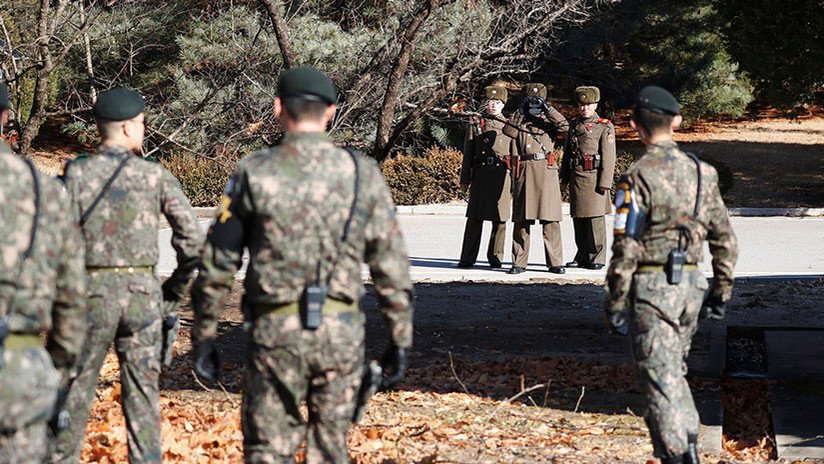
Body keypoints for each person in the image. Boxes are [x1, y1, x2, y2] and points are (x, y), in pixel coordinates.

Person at [190, 66, 414, 464]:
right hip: (340, 332)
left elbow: (218, 262)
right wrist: (399, 336)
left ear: (278, 108)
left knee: (267, 450)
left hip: (275, 330)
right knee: (330, 449)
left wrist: (204, 334)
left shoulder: (254, 171)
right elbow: (390, 263)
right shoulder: (362, 173)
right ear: (330, 112)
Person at [53, 87, 203, 463]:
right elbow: (191, 242)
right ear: (124, 129)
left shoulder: (75, 175)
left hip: (88, 297)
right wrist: (171, 292)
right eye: (139, 123)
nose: (142, 129)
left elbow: (52, 239)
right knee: (142, 402)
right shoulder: (155, 177)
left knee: (73, 396)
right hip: (142, 297)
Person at [605, 86, 738, 464]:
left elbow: (625, 247)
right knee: (674, 373)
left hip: (651, 290)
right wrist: (720, 292)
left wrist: (615, 300)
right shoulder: (703, 173)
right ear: (677, 121)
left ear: (634, 125)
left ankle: (679, 455)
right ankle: (690, 445)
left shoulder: (636, 177)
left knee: (659, 382)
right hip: (691, 289)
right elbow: (725, 241)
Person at [0, 81, 87, 463]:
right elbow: (71, 299)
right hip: (17, 371)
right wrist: (58, 367)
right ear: (5, 117)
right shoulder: (43, 191)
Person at [504, 83, 569, 274]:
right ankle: (519, 262)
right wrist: (521, 110)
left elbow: (566, 127)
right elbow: (508, 132)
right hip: (525, 171)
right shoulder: (519, 121)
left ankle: (555, 262)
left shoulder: (549, 122)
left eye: (537, 101)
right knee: (522, 221)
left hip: (546, 171)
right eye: (530, 101)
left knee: (550, 220)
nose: (534, 106)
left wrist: (547, 108)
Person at [560, 86, 616, 271]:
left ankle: (597, 256)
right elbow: (568, 153)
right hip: (577, 177)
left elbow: (609, 157)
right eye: (582, 105)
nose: (584, 108)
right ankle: (582, 254)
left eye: (588, 105)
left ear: (595, 105)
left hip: (594, 178)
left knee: (595, 220)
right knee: (579, 219)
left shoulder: (604, 126)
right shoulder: (574, 124)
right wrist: (564, 178)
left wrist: (605, 183)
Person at [457, 84, 513, 269]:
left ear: (503, 104)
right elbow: (469, 152)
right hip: (481, 174)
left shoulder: (510, 125)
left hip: (503, 174)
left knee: (500, 219)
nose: (493, 105)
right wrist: (465, 178)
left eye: (497, 102)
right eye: (490, 102)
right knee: (474, 218)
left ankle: (495, 257)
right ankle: (467, 257)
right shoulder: (477, 123)